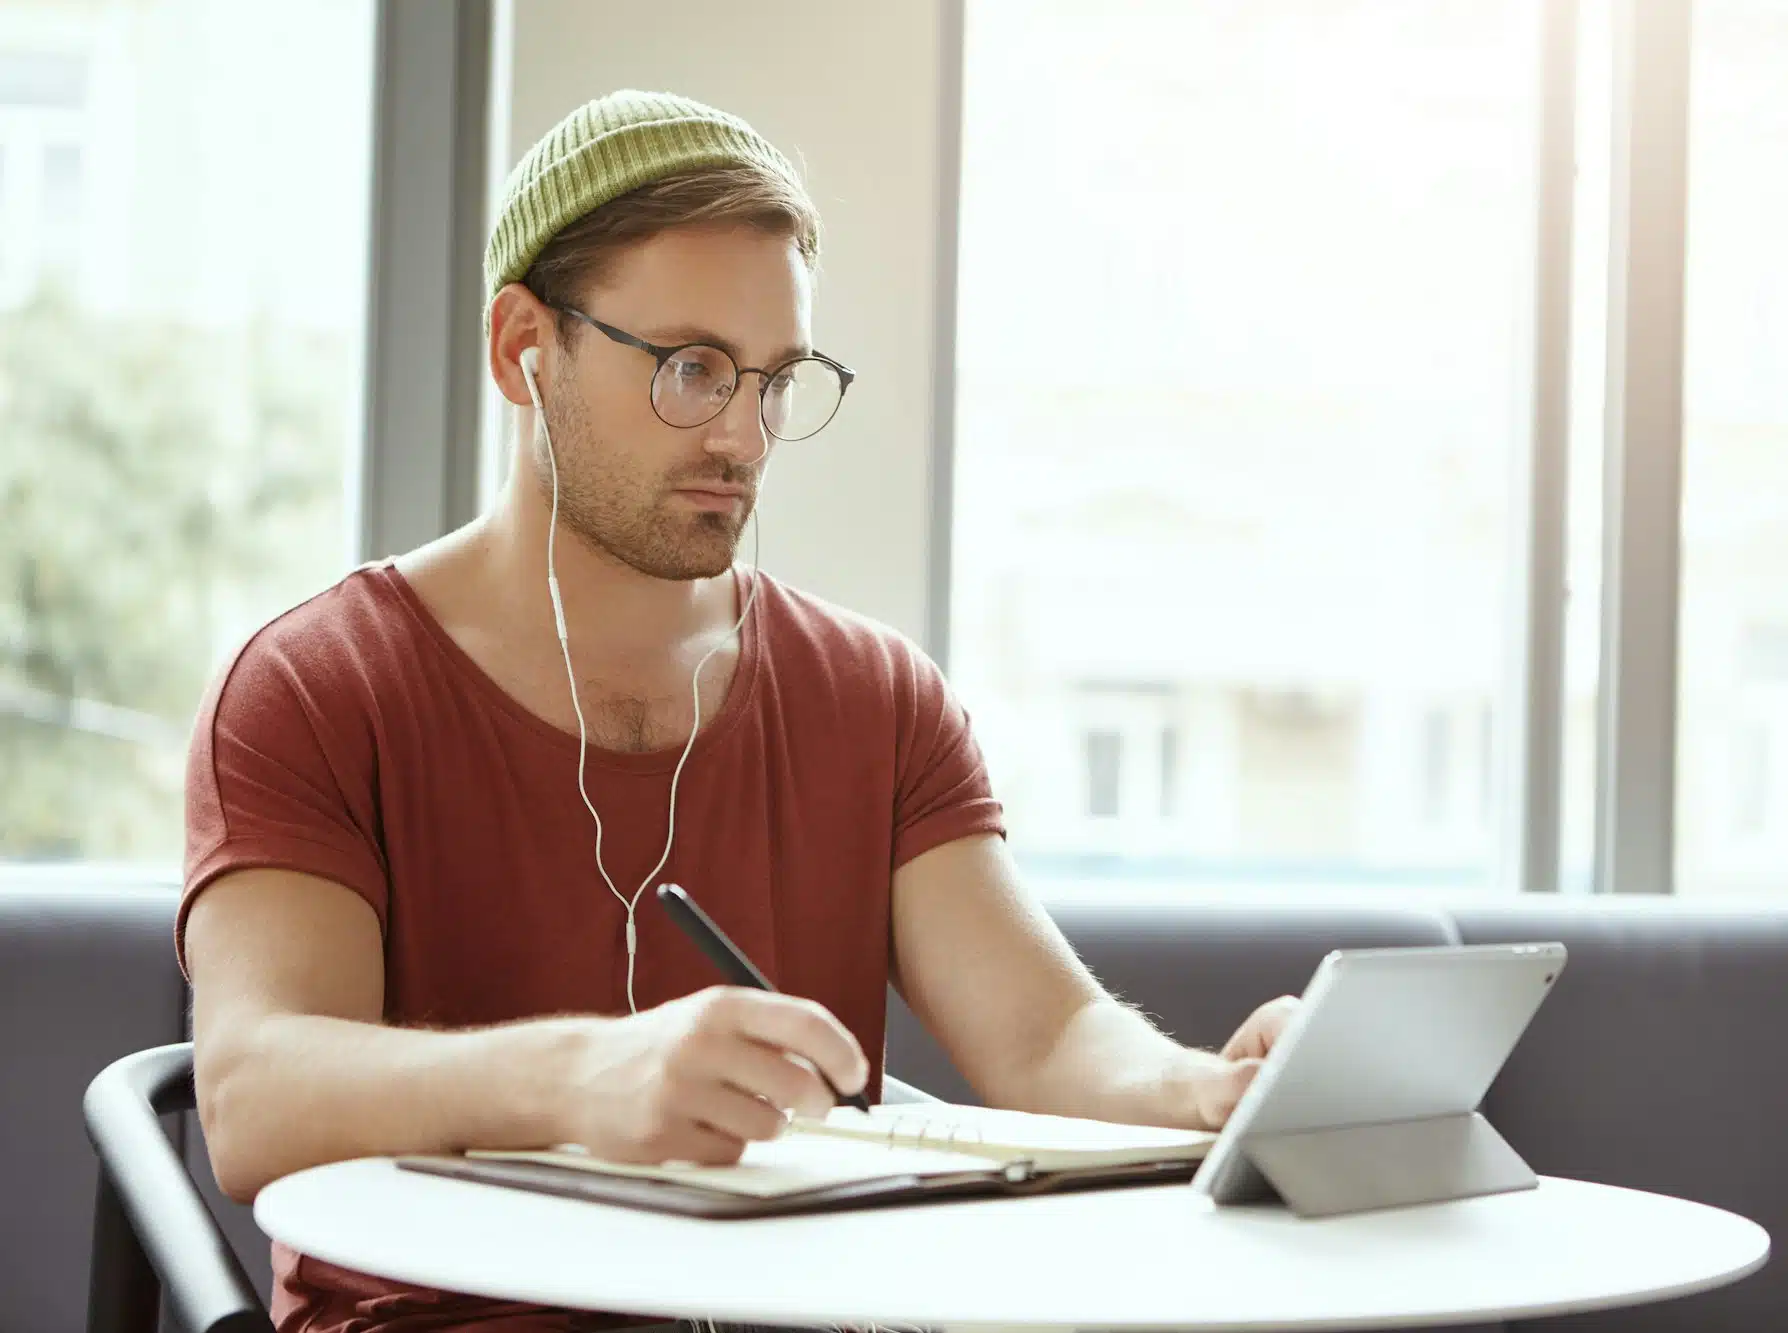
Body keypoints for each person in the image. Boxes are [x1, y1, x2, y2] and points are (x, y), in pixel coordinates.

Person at [181, 89, 1297, 1333]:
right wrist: (579, 1073)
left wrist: (1205, 1091)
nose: (740, 434)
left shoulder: (874, 698)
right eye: (690, 367)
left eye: (774, 379)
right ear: (521, 348)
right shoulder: (316, 685)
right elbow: (251, 1093)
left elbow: (1045, 1040)